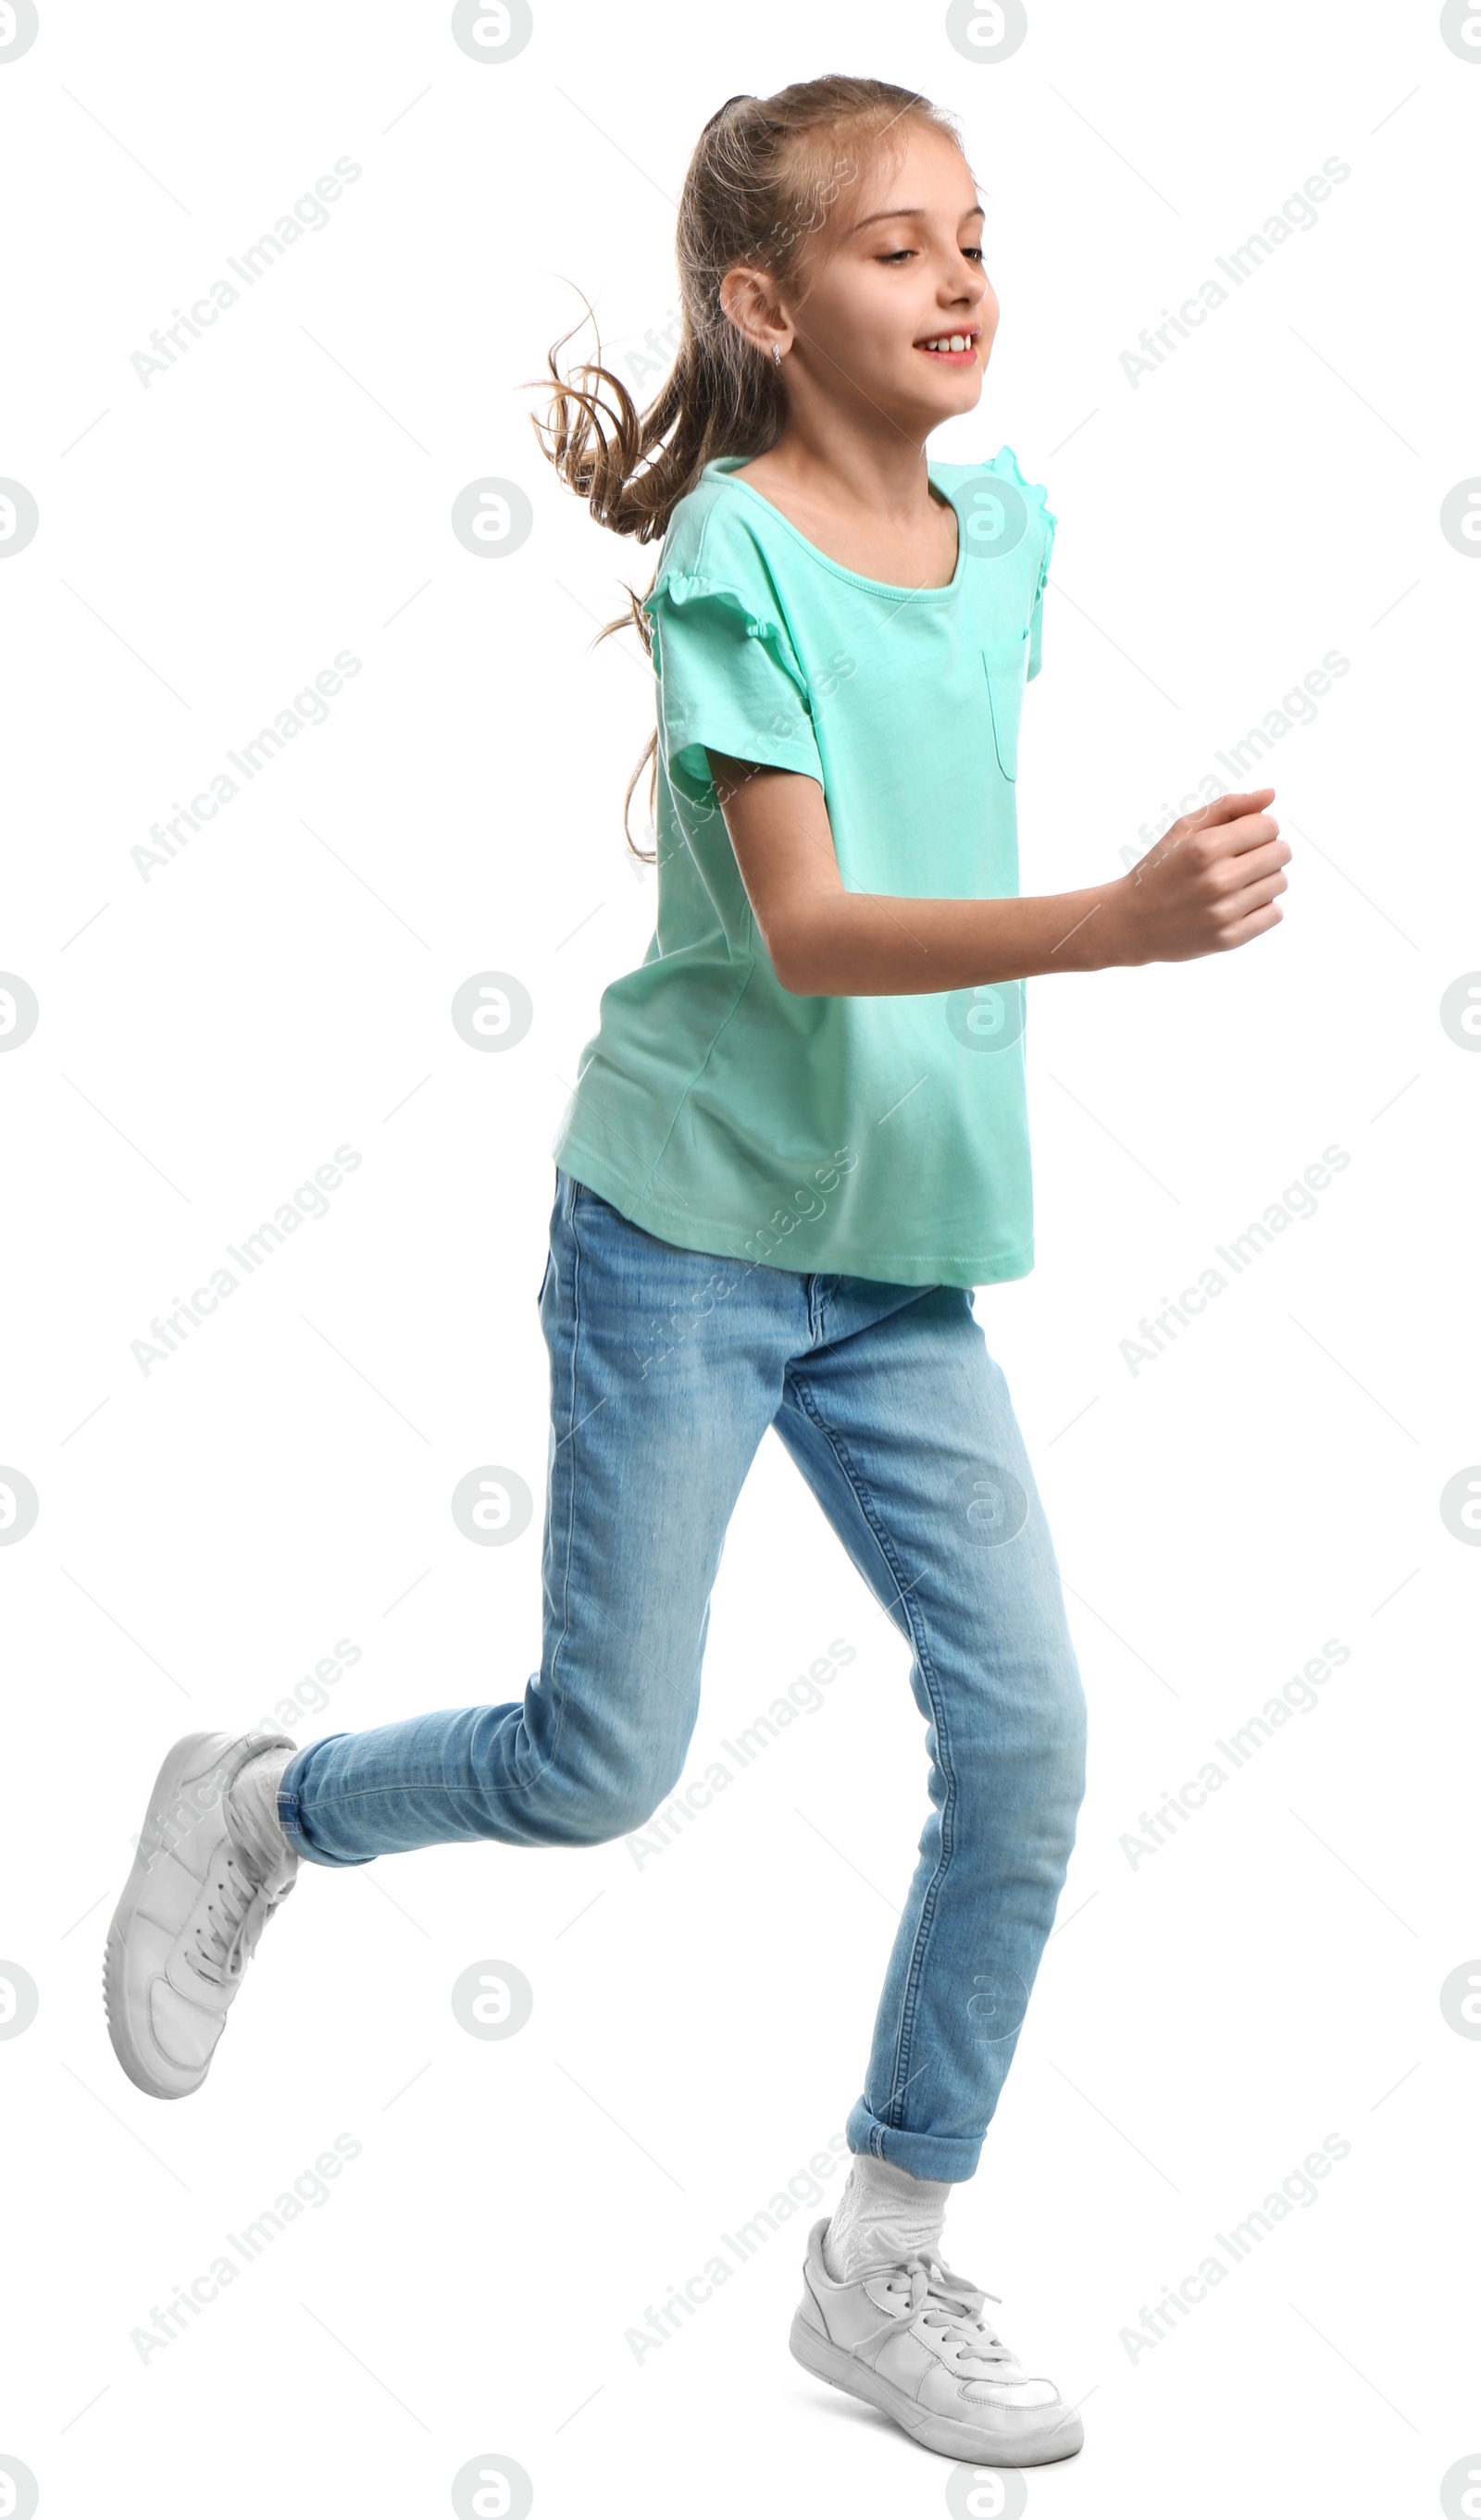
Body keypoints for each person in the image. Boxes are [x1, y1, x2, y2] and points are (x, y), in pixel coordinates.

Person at [104, 75, 1289, 2470]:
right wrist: (1121, 927)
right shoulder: (732, 554)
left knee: (1035, 1726)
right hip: (682, 1240)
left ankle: (887, 2251)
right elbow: (826, 922)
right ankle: (266, 1803)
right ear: (764, 307)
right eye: (895, 249)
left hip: (900, 1275)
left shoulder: (1013, 529)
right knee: (599, 1758)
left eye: (978, 236)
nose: (962, 279)